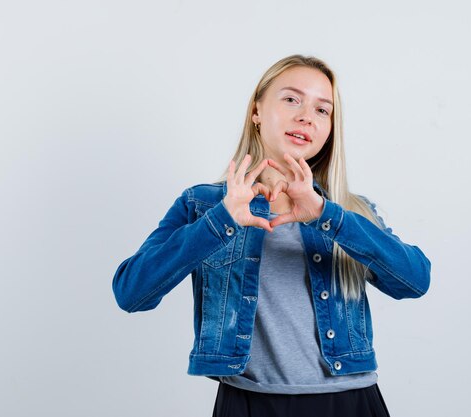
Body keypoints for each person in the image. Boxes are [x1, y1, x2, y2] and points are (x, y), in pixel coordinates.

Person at [112, 54, 431, 417]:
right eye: (292, 99)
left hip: (349, 402)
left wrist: (328, 216)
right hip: (247, 403)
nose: (306, 116)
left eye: (323, 110)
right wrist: (221, 220)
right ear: (257, 111)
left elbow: (416, 280)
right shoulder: (201, 206)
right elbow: (131, 292)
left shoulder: (350, 210)